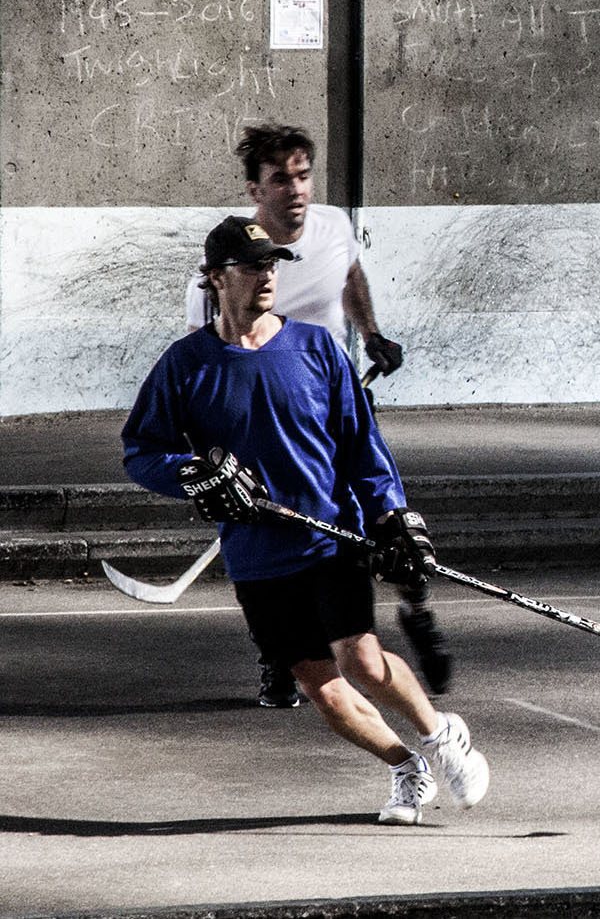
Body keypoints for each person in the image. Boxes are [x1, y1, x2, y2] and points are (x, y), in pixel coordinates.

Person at [125, 217, 491, 826]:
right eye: (252, 266)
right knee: (322, 689)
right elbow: (142, 449)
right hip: (257, 554)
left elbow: (361, 444)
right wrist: (192, 476)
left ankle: (440, 736)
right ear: (216, 278)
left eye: (273, 265)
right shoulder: (185, 366)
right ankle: (407, 767)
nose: (267, 275)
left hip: (330, 537)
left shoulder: (317, 348)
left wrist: (392, 516)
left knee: (362, 662)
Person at [183, 123, 449, 710]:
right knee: (274, 542)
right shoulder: (225, 264)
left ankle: (412, 605)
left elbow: (350, 274)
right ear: (254, 189)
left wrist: (371, 332)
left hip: (333, 397)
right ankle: (281, 658)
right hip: (264, 416)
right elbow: (212, 357)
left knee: (380, 517)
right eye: (280, 179)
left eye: (303, 176)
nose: (296, 190)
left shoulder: (333, 226)